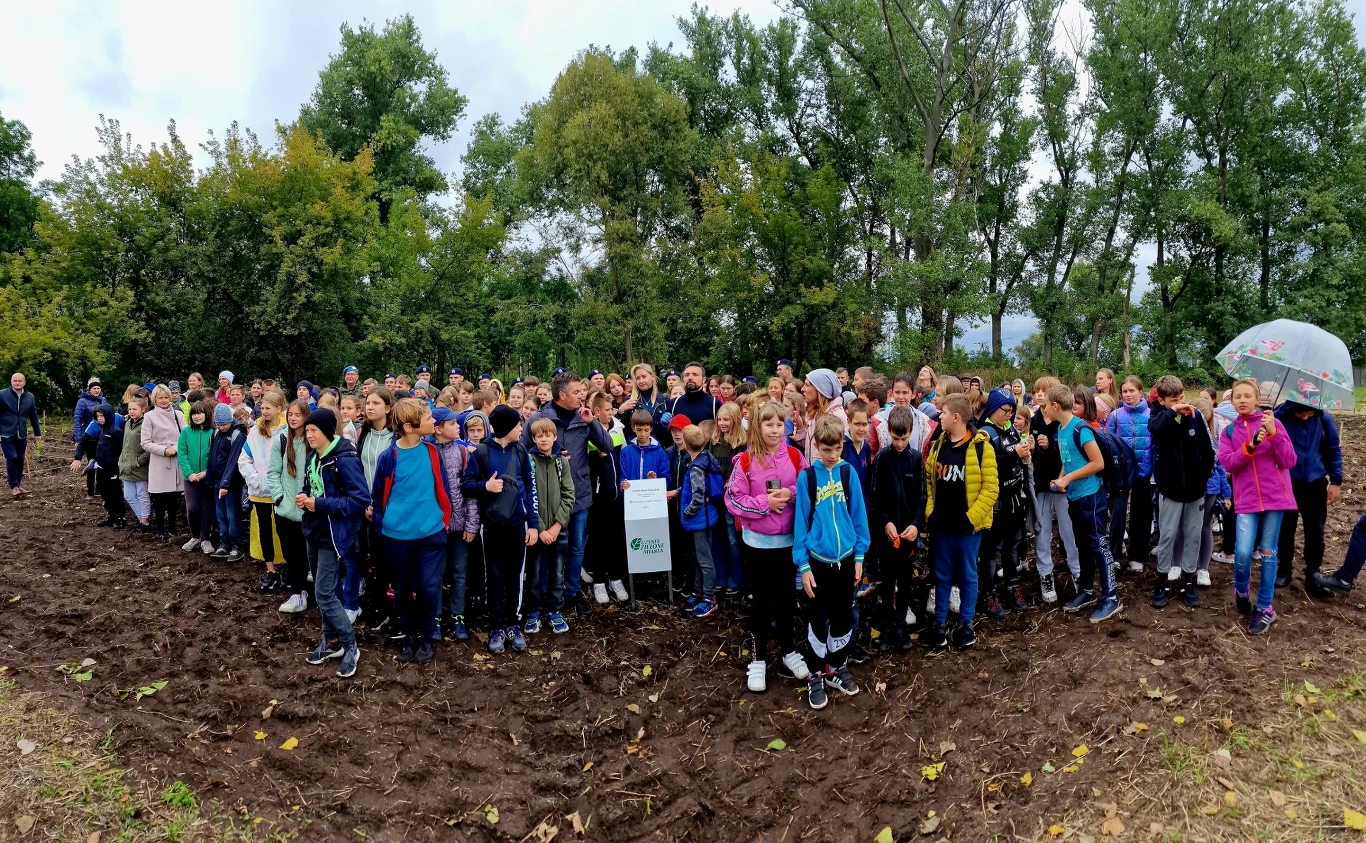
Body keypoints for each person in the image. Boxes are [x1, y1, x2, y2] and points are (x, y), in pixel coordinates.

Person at [727, 400, 810, 694]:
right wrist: (766, 503)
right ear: (758, 427)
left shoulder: (795, 456)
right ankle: (759, 658)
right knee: (761, 601)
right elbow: (734, 500)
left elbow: (808, 486)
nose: (775, 430)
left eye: (779, 424)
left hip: (788, 542)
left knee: (787, 599)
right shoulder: (746, 462)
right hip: (758, 544)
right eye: (769, 424)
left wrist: (789, 492)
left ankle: (789, 651)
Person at [520, 372, 614, 615]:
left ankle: (572, 593)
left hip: (579, 494)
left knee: (575, 548)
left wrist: (592, 421)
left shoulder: (584, 417)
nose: (582, 395)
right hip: (547, 498)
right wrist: (547, 454)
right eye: (577, 392)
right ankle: (545, 595)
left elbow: (608, 446)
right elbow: (521, 451)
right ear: (562, 395)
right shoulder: (539, 419)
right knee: (547, 549)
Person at [793, 414, 869, 709]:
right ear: (816, 446)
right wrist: (804, 566)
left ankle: (835, 667)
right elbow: (800, 524)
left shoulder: (848, 473)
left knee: (843, 616)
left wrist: (860, 556)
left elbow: (859, 518)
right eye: (826, 450)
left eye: (837, 449)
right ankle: (814, 672)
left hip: (847, 559)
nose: (832, 455)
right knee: (818, 617)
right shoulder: (807, 478)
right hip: (819, 562)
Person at [369, 399, 452, 664]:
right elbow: (378, 496)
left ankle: (427, 636)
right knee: (402, 589)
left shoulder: (432, 452)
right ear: (408, 426)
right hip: (396, 538)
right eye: (428, 418)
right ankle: (408, 637)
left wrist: (443, 520)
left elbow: (444, 488)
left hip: (431, 535)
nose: (433, 422)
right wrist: (383, 528)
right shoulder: (388, 458)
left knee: (429, 588)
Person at [1217, 378, 1296, 635]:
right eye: (1237, 396)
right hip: (1247, 500)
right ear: (1231, 400)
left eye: (1246, 396)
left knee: (1268, 553)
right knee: (1241, 553)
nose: (1242, 400)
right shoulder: (1228, 432)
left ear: (1256, 397)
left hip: (1275, 499)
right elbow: (1228, 464)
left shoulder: (1274, 424)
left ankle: (1265, 609)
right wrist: (1250, 446)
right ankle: (1241, 590)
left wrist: (1273, 433)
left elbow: (1289, 460)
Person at [922, 395, 998, 653]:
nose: (939, 416)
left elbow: (990, 489)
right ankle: (940, 625)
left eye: (943, 413)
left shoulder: (981, 447)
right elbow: (930, 484)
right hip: (941, 527)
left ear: (956, 417)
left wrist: (970, 519)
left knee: (967, 576)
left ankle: (966, 624)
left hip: (967, 529)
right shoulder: (938, 445)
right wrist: (931, 514)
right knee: (941, 576)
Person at [463, 405, 539, 655]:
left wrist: (534, 524)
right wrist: (486, 486)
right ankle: (496, 626)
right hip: (492, 526)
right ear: (507, 428)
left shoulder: (521, 451)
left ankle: (512, 624)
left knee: (515, 575)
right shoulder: (482, 453)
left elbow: (530, 487)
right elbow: (467, 485)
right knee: (494, 575)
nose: (521, 428)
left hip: (519, 523)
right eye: (518, 425)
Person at [299, 408, 367, 678]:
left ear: (327, 431)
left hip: (334, 535)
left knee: (325, 593)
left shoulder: (345, 460)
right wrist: (304, 497)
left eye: (313, 431)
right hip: (313, 531)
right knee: (321, 589)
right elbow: (310, 487)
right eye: (307, 431)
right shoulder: (312, 458)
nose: (309, 435)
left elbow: (360, 500)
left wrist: (320, 504)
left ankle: (351, 644)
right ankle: (331, 642)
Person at [1045, 383, 1122, 623]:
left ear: (1056, 406)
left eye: (1046, 405)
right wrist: (1061, 477)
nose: (1043, 408)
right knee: (1082, 545)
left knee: (1098, 545)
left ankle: (1111, 596)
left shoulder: (1081, 430)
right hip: (1075, 498)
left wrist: (1068, 478)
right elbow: (1069, 460)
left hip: (1091, 497)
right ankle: (1087, 590)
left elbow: (1097, 463)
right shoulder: (1061, 429)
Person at [1147, 376, 1214, 610]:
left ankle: (1187, 580)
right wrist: (1172, 412)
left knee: (1193, 536)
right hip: (1170, 490)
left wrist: (1204, 475)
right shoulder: (1159, 417)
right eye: (1174, 399)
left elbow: (1207, 449)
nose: (1181, 402)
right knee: (1167, 536)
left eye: (1182, 396)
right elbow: (1155, 428)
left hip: (1195, 491)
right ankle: (1163, 580)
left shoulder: (1195, 418)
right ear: (1163, 400)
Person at [868, 406, 926, 653]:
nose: (899, 443)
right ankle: (886, 626)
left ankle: (901, 626)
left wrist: (915, 525)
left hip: (908, 535)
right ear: (888, 433)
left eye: (903, 438)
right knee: (887, 580)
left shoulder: (915, 459)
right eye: (895, 438)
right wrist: (886, 522)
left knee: (905, 580)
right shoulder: (881, 459)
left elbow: (922, 498)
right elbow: (875, 498)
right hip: (887, 533)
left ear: (910, 433)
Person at [1274, 397, 1343, 596]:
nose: (1304, 417)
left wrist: (1336, 481)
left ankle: (1313, 572)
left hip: (1315, 482)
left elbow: (1333, 449)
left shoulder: (1323, 419)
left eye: (1309, 413)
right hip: (1287, 482)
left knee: (1315, 530)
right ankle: (1284, 568)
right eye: (1300, 413)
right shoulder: (1279, 417)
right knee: (1285, 528)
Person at [426, 406, 479, 640]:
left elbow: (470, 492)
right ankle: (434, 617)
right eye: (453, 423)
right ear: (438, 429)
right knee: (435, 574)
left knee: (459, 573)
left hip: (459, 527)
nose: (459, 426)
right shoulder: (424, 451)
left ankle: (458, 616)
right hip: (433, 527)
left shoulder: (464, 452)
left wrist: (471, 525)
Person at [976, 388, 1031, 617]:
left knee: (1013, 547)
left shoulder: (1010, 431)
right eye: (1005, 411)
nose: (1009, 415)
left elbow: (1016, 459)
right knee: (991, 551)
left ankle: (1012, 586)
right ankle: (988, 593)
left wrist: (1026, 453)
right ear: (993, 408)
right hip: (996, 502)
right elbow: (987, 467)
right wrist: (1015, 455)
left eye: (1012, 411)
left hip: (1016, 498)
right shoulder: (985, 433)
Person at [1029, 376, 1079, 603]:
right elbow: (1032, 458)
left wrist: (1050, 447)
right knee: (1042, 532)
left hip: (1063, 485)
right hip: (1041, 485)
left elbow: (1070, 455)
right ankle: (1045, 574)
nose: (1040, 396)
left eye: (1045, 391)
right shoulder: (1033, 420)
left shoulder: (1065, 422)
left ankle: (1078, 572)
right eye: (1036, 391)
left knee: (1069, 531)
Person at [523, 416, 575, 634]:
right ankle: (533, 613)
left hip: (558, 530)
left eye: (548, 435)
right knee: (533, 573)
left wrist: (555, 526)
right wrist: (542, 528)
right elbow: (527, 495)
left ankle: (554, 611)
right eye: (539, 436)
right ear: (533, 438)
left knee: (557, 573)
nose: (544, 439)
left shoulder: (561, 462)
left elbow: (569, 495)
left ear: (555, 437)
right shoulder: (528, 461)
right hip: (536, 531)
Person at [239, 390, 288, 590]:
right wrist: (254, 479)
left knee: (285, 532)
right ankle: (270, 569)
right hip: (259, 492)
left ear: (279, 408)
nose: (264, 412)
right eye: (262, 408)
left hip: (283, 492)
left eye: (268, 408)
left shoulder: (288, 430)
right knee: (265, 531)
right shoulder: (256, 430)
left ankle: (287, 567)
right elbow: (244, 458)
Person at [356, 386, 397, 627]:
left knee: (390, 559)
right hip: (367, 508)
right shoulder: (364, 435)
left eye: (375, 403)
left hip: (390, 509)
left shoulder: (395, 437)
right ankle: (378, 606)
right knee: (374, 560)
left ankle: (393, 609)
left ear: (388, 407)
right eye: (367, 403)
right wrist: (364, 503)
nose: (369, 407)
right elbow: (360, 473)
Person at [269, 399, 313, 614]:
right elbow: (273, 473)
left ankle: (305, 591)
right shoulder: (281, 439)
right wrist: (279, 498)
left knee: (306, 554)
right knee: (290, 553)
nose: (294, 418)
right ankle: (297, 594)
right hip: (285, 509)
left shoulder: (313, 440)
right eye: (291, 414)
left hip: (309, 510)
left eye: (298, 414)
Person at [584, 391, 629, 603]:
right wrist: (595, 457)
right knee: (599, 538)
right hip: (597, 497)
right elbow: (583, 465)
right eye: (608, 410)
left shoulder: (618, 429)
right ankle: (599, 581)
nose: (611, 414)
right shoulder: (588, 432)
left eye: (612, 410)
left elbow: (624, 459)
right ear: (596, 412)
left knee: (616, 538)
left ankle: (615, 578)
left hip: (618, 496)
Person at [1106, 376, 1153, 574]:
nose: (1128, 394)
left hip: (1144, 471)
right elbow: (1107, 442)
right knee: (1117, 514)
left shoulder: (1152, 415)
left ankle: (1138, 556)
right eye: (1124, 391)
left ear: (1141, 392)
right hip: (1121, 472)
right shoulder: (1115, 416)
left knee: (1141, 516)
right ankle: (1115, 555)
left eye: (1132, 391)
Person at [680, 423, 724, 618]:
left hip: (700, 518)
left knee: (704, 559)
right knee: (699, 556)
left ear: (686, 446)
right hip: (705, 515)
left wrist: (688, 512)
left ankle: (709, 597)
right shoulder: (706, 459)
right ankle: (698, 590)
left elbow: (697, 495)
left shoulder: (697, 467)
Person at [710, 402, 746, 597]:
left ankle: (736, 577)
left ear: (735, 420)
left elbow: (742, 468)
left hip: (732, 499)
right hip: (715, 497)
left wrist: (731, 482)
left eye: (726, 420)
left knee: (733, 540)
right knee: (718, 539)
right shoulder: (714, 441)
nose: (722, 423)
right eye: (720, 419)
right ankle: (720, 575)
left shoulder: (741, 442)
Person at [69, 402, 125, 527]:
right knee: (104, 492)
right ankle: (111, 515)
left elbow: (122, 450)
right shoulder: (99, 429)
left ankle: (120, 517)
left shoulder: (116, 432)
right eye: (98, 416)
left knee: (115, 492)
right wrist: (78, 457)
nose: (99, 418)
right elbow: (84, 441)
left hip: (112, 468)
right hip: (101, 467)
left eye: (102, 416)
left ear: (109, 416)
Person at [140, 385, 184, 539]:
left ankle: (172, 527)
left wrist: (176, 449)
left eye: (166, 397)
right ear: (155, 400)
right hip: (159, 461)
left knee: (174, 497)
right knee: (159, 498)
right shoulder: (149, 416)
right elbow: (145, 442)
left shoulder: (178, 414)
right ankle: (160, 529)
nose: (164, 400)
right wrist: (164, 451)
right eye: (161, 398)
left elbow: (184, 436)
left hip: (175, 460)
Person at [208, 403, 248, 563]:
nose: (222, 427)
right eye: (219, 424)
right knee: (221, 515)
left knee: (232, 515)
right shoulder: (216, 432)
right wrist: (210, 479)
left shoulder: (238, 434)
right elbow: (212, 456)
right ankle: (224, 544)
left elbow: (234, 461)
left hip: (232, 484)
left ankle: (237, 546)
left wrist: (226, 484)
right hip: (218, 482)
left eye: (225, 424)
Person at [176, 400, 214, 551]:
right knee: (192, 508)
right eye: (194, 414)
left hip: (206, 477)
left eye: (200, 413)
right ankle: (194, 537)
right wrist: (189, 473)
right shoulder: (185, 432)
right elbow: (182, 453)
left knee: (206, 507)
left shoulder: (213, 432)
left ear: (207, 414)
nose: (197, 417)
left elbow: (214, 456)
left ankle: (205, 539)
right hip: (190, 479)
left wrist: (206, 472)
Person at [0, 373, 42, 497]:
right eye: (15, 381)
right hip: (5, 432)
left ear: (24, 382)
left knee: (20, 459)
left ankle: (17, 485)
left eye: (19, 381)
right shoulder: (2, 395)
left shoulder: (29, 397)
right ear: (11, 381)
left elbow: (33, 416)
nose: (17, 383)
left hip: (21, 433)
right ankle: (13, 486)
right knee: (12, 458)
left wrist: (37, 433)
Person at [118, 397, 152, 534]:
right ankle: (140, 518)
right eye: (130, 409)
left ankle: (145, 522)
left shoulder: (146, 424)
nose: (131, 411)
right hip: (126, 465)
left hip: (139, 466)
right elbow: (125, 444)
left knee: (142, 495)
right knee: (129, 495)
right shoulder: (127, 423)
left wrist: (139, 461)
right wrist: (121, 460)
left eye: (134, 409)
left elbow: (149, 447)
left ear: (143, 409)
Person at [73, 377, 104, 500]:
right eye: (94, 388)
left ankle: (99, 490)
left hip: (102, 437)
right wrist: (78, 438)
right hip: (89, 436)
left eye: (98, 388)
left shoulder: (103, 400)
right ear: (89, 389)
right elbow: (77, 420)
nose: (96, 390)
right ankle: (90, 491)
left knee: (102, 463)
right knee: (91, 463)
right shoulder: (82, 402)